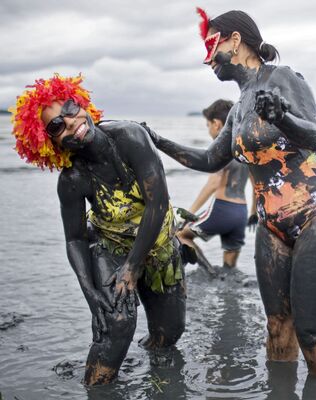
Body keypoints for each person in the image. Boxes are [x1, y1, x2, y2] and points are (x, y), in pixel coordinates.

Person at [145, 8, 316, 379]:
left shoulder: (283, 77)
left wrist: (282, 117)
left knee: (311, 331)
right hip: (272, 223)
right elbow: (211, 159)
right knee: (277, 323)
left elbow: (312, 135)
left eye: (212, 45)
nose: (207, 57)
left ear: (235, 40)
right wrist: (156, 141)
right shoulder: (240, 105)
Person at [10, 75, 186, 385]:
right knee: (116, 324)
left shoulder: (130, 137)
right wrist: (91, 294)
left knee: (169, 333)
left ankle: (158, 380)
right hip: (111, 245)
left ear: (81, 102)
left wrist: (133, 268)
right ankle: (98, 386)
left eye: (69, 107)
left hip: (157, 241)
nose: (69, 122)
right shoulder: (72, 180)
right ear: (48, 143)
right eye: (55, 127)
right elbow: (75, 239)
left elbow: (158, 204)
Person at [176, 99, 251, 269]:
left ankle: (209, 273)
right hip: (241, 213)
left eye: (208, 125)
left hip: (222, 209)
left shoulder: (221, 147)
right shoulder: (243, 147)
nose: (208, 129)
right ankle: (226, 284)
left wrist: (189, 213)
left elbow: (213, 183)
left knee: (181, 235)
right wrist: (254, 212)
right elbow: (255, 181)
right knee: (230, 267)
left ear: (216, 124)